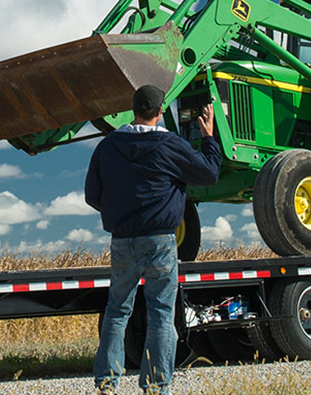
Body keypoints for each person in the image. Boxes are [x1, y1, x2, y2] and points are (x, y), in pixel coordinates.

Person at [86, 85, 221, 395]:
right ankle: (155, 387)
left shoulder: (107, 147)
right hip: (159, 242)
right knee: (160, 313)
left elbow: (93, 195)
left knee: (117, 309)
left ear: (132, 110)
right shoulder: (169, 144)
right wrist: (208, 138)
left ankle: (107, 383)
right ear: (161, 113)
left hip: (121, 241)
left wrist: (121, 211)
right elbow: (209, 174)